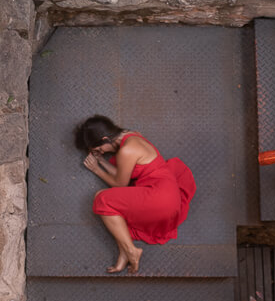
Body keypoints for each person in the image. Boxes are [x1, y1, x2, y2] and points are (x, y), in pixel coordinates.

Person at [76, 115, 196, 274]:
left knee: (102, 199)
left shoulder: (126, 151)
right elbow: (124, 174)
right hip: (168, 194)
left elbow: (120, 184)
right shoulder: (130, 135)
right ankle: (124, 254)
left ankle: (132, 251)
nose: (101, 152)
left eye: (99, 149)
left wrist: (96, 169)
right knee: (116, 210)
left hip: (160, 198)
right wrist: (102, 162)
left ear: (105, 138)